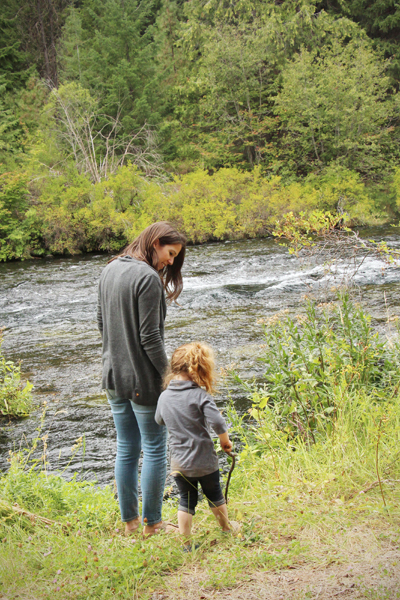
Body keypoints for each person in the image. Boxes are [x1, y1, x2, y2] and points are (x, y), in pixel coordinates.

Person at [97, 222, 186, 537]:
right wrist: (171, 377)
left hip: (112, 378)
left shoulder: (109, 270)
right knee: (154, 446)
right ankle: (154, 524)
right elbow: (150, 339)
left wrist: (119, 356)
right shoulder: (147, 278)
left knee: (126, 446)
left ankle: (130, 523)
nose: (170, 262)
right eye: (170, 253)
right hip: (143, 382)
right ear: (157, 242)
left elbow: (101, 323)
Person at [155, 342, 233, 547]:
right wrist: (225, 441)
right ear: (200, 369)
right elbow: (217, 422)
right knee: (214, 494)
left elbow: (159, 420)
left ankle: (186, 542)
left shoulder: (164, 396)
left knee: (186, 500)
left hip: (179, 464)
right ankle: (226, 528)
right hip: (204, 461)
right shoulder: (200, 395)